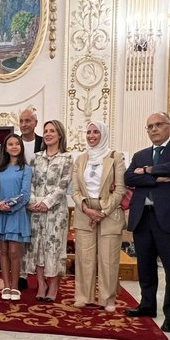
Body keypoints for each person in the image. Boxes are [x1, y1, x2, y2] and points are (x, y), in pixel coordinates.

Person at [124, 112, 170, 333]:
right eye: (149, 126)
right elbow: (128, 178)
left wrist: (147, 171)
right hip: (143, 217)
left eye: (158, 125)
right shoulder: (140, 154)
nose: (153, 129)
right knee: (145, 266)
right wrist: (157, 179)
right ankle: (147, 305)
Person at [71, 121, 126, 311]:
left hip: (109, 213)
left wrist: (103, 212)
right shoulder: (80, 159)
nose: (91, 136)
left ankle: (107, 299)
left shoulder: (115, 157)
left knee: (108, 259)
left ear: (103, 134)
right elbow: (75, 190)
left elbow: (120, 189)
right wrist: (87, 209)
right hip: (85, 211)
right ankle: (83, 296)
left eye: (95, 132)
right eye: (88, 132)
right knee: (84, 258)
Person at [23, 120, 73, 303]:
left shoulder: (66, 158)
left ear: (60, 134)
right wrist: (35, 202)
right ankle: (41, 285)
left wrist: (47, 202)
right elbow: (29, 183)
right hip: (35, 211)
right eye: (46, 131)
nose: (48, 134)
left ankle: (53, 286)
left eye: (52, 131)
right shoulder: (35, 158)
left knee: (53, 248)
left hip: (55, 212)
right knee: (37, 248)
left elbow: (63, 185)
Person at [0, 133, 32, 301]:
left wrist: (9, 206)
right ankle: (5, 286)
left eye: (17, 144)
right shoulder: (0, 170)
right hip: (0, 214)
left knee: (14, 251)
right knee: (3, 251)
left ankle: (15, 286)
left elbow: (25, 195)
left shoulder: (26, 169)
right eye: (10, 144)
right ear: (5, 148)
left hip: (15, 214)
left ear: (21, 147)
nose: (14, 146)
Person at [17, 107, 43, 291]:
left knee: (40, 238)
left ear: (35, 122)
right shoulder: (13, 142)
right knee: (20, 238)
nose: (24, 124)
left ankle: (43, 276)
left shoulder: (44, 142)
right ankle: (21, 274)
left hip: (40, 197)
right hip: (18, 196)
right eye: (21, 121)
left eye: (28, 121)